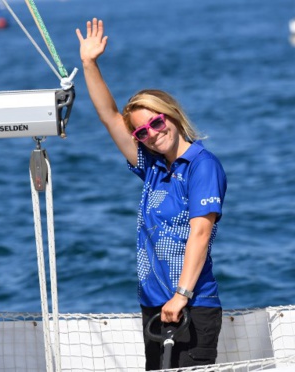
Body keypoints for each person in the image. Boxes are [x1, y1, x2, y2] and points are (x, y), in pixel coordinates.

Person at [76, 18, 227, 370]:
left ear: (171, 115)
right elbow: (110, 117)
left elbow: (200, 234)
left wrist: (182, 295)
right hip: (155, 305)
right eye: (142, 132)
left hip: (191, 305)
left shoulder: (202, 165)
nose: (153, 133)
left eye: (157, 122)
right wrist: (89, 63)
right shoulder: (153, 167)